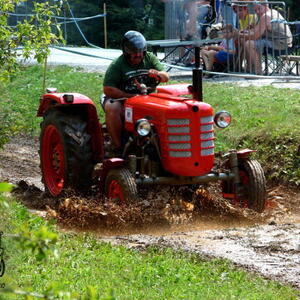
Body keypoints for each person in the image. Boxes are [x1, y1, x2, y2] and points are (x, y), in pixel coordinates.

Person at [102, 31, 169, 155]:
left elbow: (166, 77)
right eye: (133, 53)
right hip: (122, 99)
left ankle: (163, 147)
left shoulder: (150, 58)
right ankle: (118, 147)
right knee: (112, 106)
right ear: (126, 52)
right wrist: (130, 96)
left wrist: (158, 74)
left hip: (146, 99)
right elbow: (108, 89)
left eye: (140, 52)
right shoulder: (117, 65)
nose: (137, 55)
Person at [238, 0, 293, 74]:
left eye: (259, 9)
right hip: (284, 42)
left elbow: (255, 36)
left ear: (266, 6)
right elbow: (258, 31)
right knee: (245, 40)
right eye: (255, 10)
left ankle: (258, 70)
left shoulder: (266, 16)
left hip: (280, 44)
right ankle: (250, 67)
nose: (257, 12)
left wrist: (238, 34)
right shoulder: (273, 12)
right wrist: (246, 32)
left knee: (249, 44)